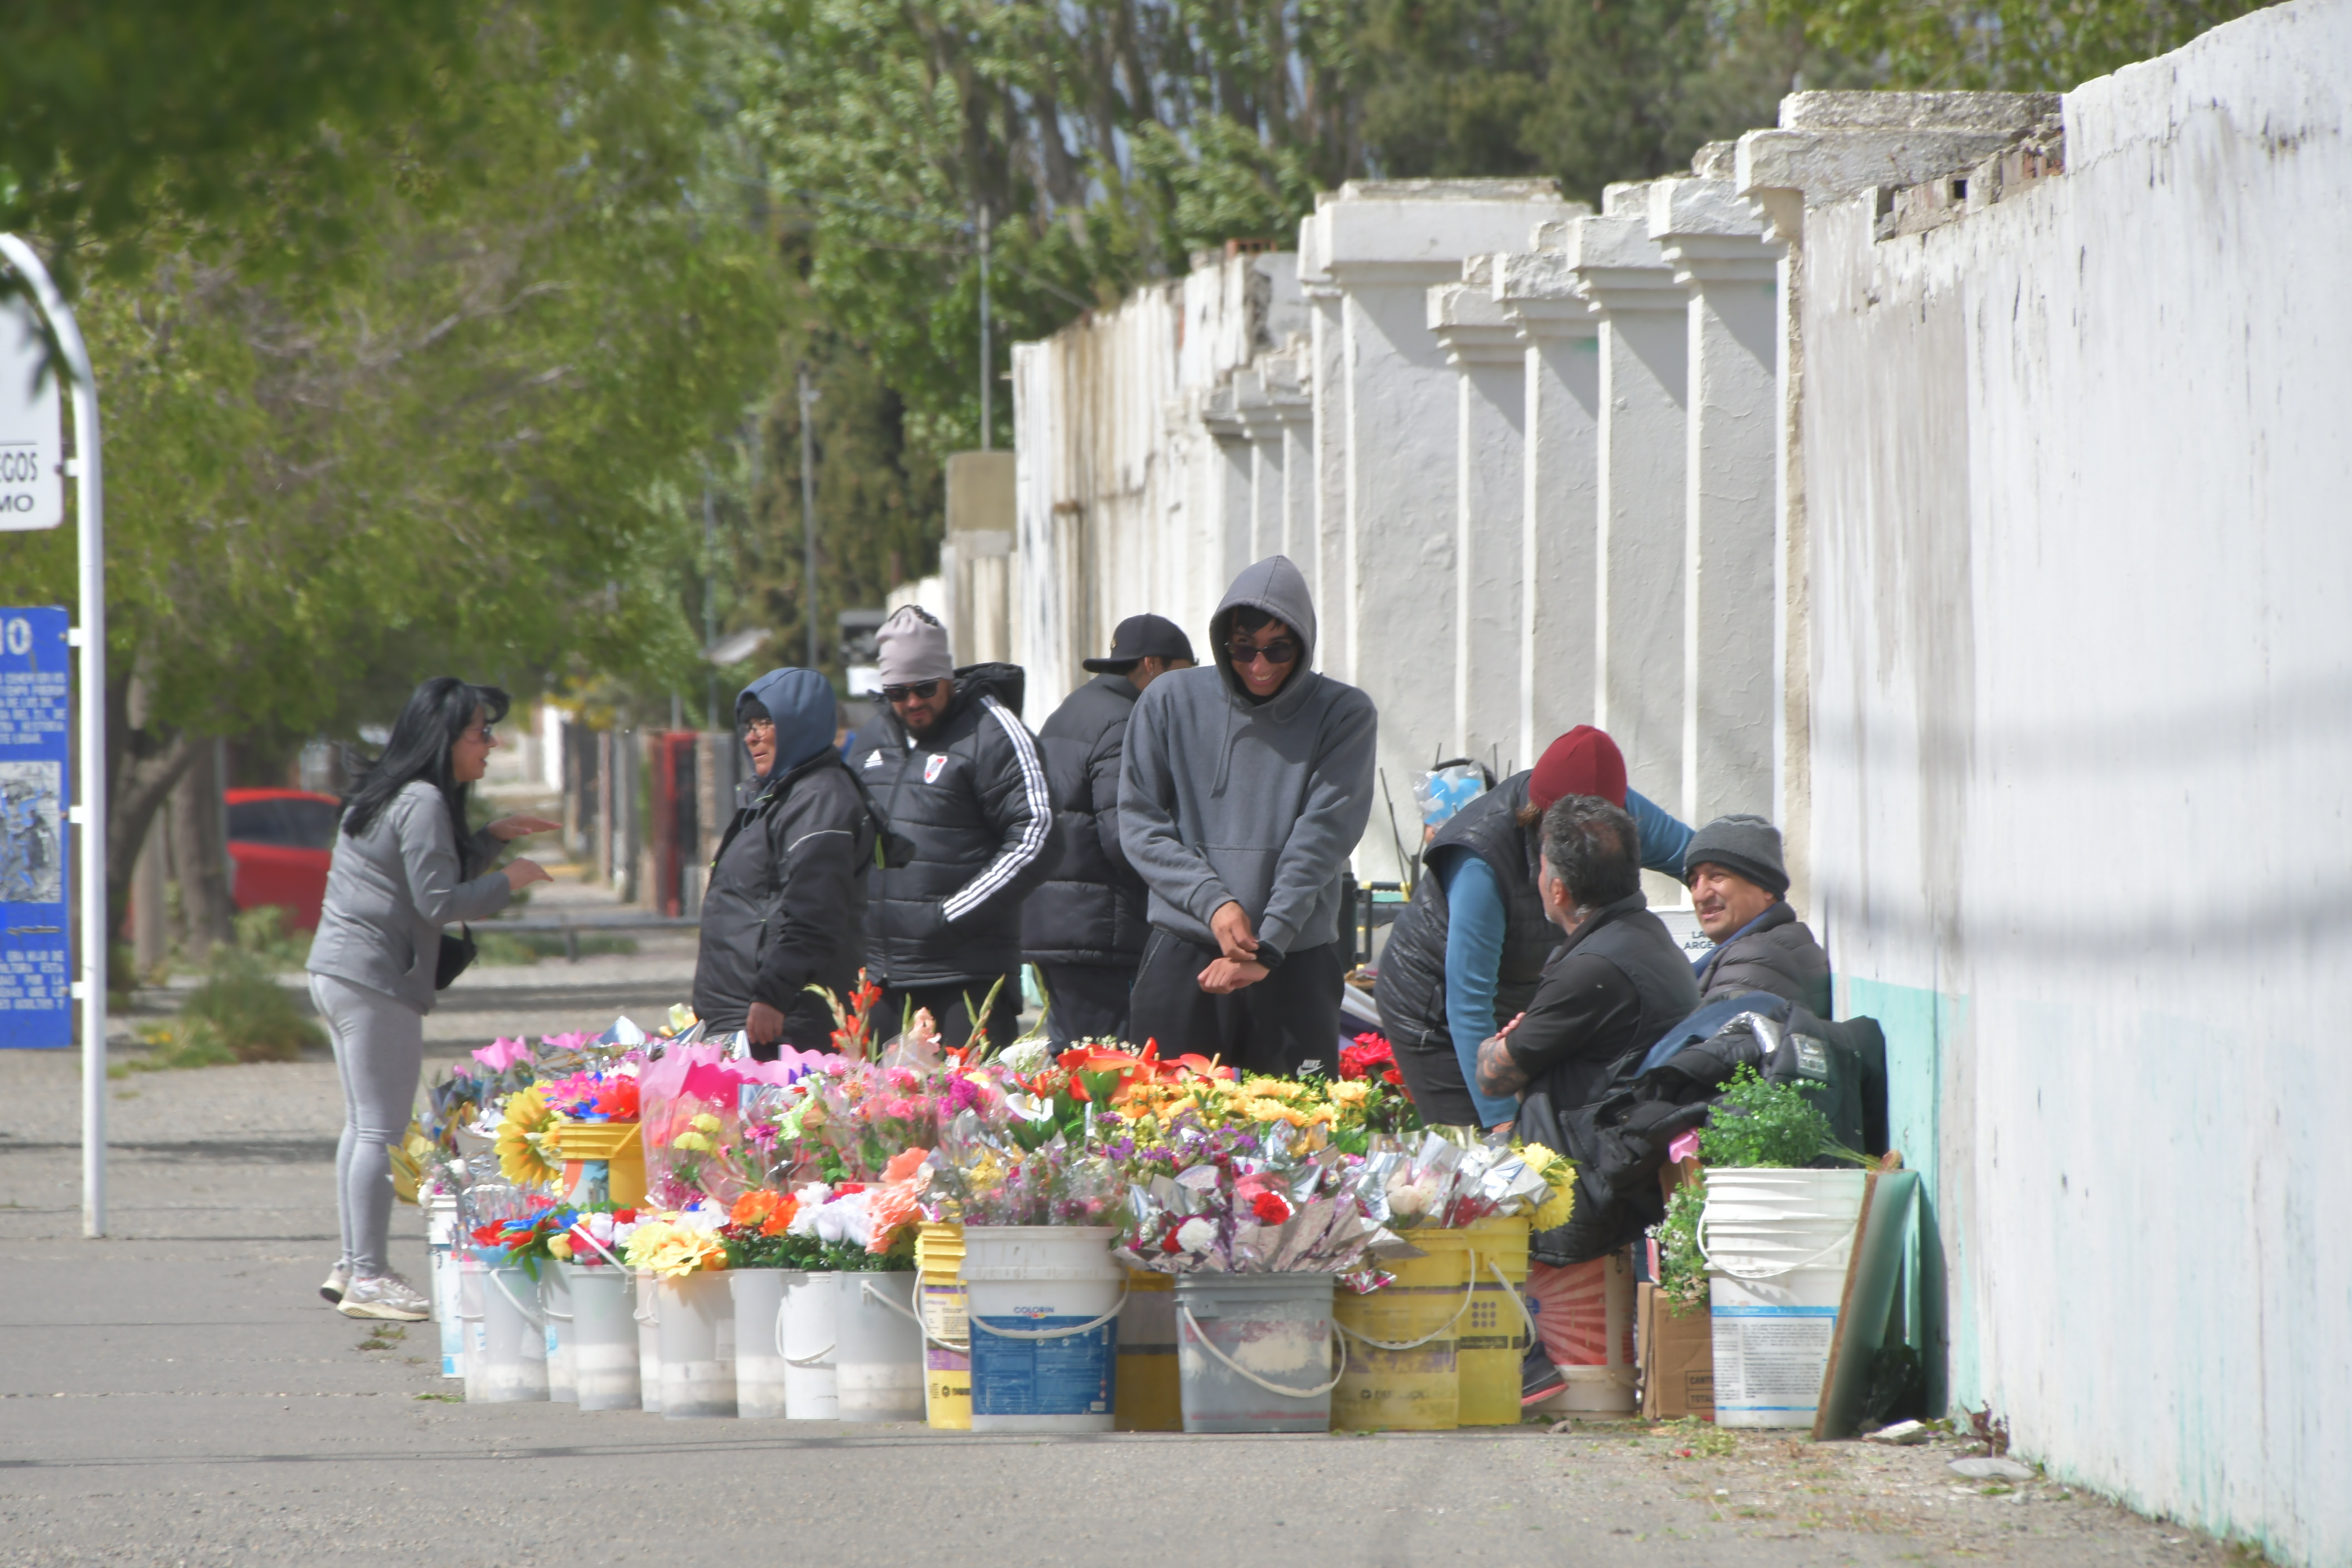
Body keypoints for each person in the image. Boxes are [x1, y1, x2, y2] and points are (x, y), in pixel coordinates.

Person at [306, 679, 555, 1321]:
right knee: (382, 1130)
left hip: (342, 973)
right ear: (445, 740)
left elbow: (427, 872)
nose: (492, 744)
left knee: (364, 1124)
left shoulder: (396, 793)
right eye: (482, 733)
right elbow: (439, 901)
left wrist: (492, 837)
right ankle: (367, 1275)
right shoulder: (420, 800)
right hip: (373, 979)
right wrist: (510, 878)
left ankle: (353, 1260)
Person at [1468, 794, 1701, 1405]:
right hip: (1619, 1151)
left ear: (1559, 891)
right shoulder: (1642, 937)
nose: (1538, 877)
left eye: (1543, 866)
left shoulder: (1590, 968)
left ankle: (1525, 1365)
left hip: (1590, 1176)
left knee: (1445, 1199)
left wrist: (1504, 1042)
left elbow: (1493, 1074)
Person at [1121, 556, 1376, 1073]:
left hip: (1293, 955)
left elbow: (1323, 837)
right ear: (1222, 642)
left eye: (1279, 649)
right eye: (1244, 649)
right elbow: (1141, 823)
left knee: (1298, 1137)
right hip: (1185, 949)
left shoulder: (1344, 714)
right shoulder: (1169, 700)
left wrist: (1270, 944)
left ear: (1303, 645)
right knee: (1164, 1133)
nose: (1260, 666)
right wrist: (1214, 904)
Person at [1375, 726, 1693, 1129]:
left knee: (1550, 1144)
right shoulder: (1481, 859)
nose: (1587, 845)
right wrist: (1500, 1127)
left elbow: (1701, 860)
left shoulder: (1608, 814)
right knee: (1478, 1156)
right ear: (1540, 819)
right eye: (1570, 837)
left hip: (1522, 990)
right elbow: (1469, 998)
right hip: (1434, 1005)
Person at [847, 605, 1051, 1052]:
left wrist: (947, 916)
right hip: (881, 975)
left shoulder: (993, 731)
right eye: (899, 692)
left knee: (971, 1115)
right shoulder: (872, 738)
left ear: (948, 677)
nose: (913, 702)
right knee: (871, 1116)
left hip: (966, 977)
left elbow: (1039, 834)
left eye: (925, 687)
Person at [1022, 613, 1196, 1045]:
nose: (1188, 691)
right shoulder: (1123, 722)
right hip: (1099, 930)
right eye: (1183, 675)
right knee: (1106, 1074)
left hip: (1059, 921)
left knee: (1075, 1065)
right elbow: (1125, 836)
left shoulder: (1074, 708)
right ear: (1152, 665)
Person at [693, 667, 880, 1059]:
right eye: (749, 724)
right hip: (745, 1019)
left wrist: (773, 995)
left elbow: (815, 911)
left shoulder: (820, 799)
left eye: (766, 722)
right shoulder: (777, 797)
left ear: (801, 723)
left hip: (783, 1025)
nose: (752, 736)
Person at [1682, 814, 1829, 1014]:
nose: (1700, 894)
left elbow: (1714, 1039)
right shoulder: (1769, 944)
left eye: (1717, 876)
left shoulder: (1757, 958)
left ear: (1765, 886)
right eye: (1693, 882)